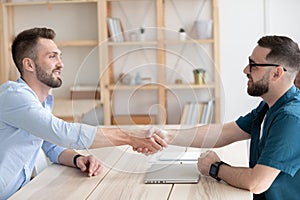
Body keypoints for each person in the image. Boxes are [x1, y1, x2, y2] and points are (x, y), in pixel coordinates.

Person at [0, 27, 167, 199]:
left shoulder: (41, 101)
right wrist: (131, 137)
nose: (61, 63)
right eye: (52, 56)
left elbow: (50, 144)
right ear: (29, 64)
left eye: (59, 56)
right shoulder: (15, 97)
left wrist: (77, 159)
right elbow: (65, 133)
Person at [149, 35, 300, 200]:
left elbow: (257, 183)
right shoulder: (269, 106)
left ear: (277, 73)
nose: (246, 70)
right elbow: (223, 132)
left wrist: (215, 168)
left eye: (254, 65)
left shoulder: (291, 118)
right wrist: (166, 136)